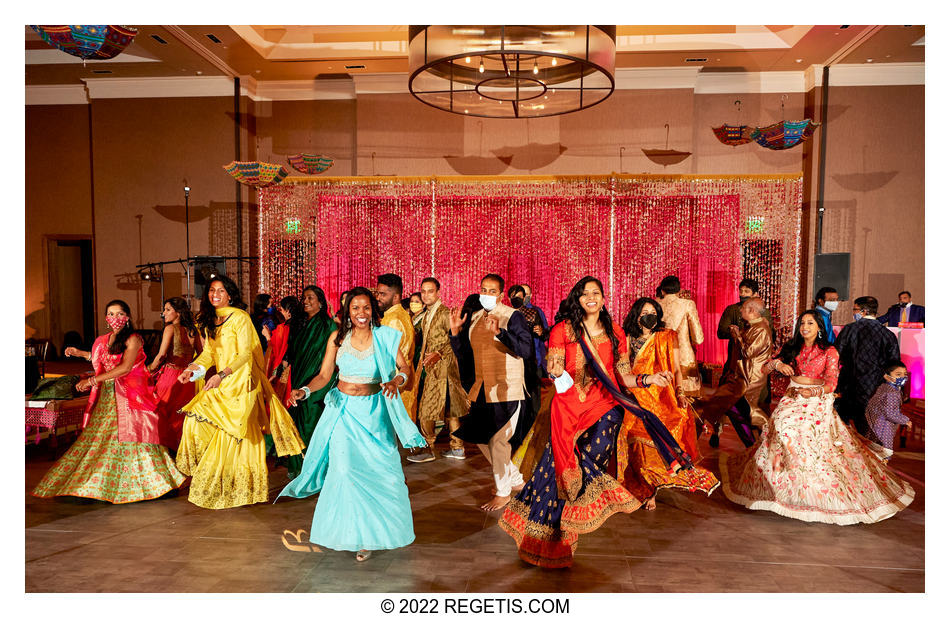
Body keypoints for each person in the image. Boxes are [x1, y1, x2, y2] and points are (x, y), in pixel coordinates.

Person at [499, 277, 691, 568]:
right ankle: (552, 538)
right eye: (585, 293)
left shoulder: (616, 333)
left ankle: (579, 510)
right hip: (568, 408)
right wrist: (554, 369)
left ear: (603, 298)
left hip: (605, 407)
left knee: (584, 467)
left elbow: (622, 376)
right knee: (554, 473)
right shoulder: (563, 331)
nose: (591, 297)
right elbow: (557, 372)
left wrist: (648, 379)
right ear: (577, 299)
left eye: (596, 293)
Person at [720, 310, 915, 524]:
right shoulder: (792, 347)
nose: (805, 327)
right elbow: (765, 367)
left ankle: (807, 489)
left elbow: (832, 382)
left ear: (819, 328)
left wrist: (812, 393)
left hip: (817, 400)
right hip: (792, 398)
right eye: (802, 323)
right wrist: (778, 364)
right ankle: (780, 486)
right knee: (780, 428)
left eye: (810, 323)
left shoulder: (830, 351)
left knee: (809, 442)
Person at [278, 288, 428, 562]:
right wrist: (304, 391)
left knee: (380, 474)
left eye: (366, 308)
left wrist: (397, 381)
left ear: (374, 310)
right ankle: (354, 533)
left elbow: (406, 370)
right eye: (355, 308)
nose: (361, 313)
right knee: (345, 471)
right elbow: (324, 376)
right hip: (343, 412)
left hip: (375, 414)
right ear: (348, 311)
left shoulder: (385, 337)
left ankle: (372, 534)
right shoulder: (337, 338)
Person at [33, 300, 185, 503]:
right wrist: (80, 354)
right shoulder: (103, 340)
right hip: (106, 397)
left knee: (133, 438)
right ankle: (96, 483)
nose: (115, 318)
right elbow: (101, 359)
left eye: (120, 314)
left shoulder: (134, 339)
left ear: (128, 317)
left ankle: (150, 483)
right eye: (111, 314)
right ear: (106, 318)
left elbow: (125, 367)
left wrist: (92, 380)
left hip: (128, 396)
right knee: (100, 439)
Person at [176, 275, 304, 509]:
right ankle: (225, 483)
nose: (215, 294)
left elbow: (246, 354)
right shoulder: (210, 320)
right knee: (197, 421)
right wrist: (191, 369)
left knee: (240, 434)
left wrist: (221, 374)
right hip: (222, 382)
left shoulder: (240, 318)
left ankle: (244, 487)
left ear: (231, 295)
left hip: (243, 382)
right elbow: (209, 355)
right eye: (212, 290)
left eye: (221, 291)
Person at [619, 297, 720, 510]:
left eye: (654, 312)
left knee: (658, 442)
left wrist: (680, 392)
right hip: (636, 393)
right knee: (635, 441)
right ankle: (640, 485)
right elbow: (623, 368)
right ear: (636, 316)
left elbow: (676, 369)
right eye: (645, 312)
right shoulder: (626, 337)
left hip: (662, 396)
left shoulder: (667, 337)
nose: (650, 316)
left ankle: (652, 490)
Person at [450, 273, 535, 511]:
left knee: (499, 440)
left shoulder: (512, 316)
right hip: (481, 388)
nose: (486, 295)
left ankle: (503, 491)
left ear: (500, 294)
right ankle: (515, 479)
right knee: (480, 438)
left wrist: (500, 333)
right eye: (483, 290)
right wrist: (456, 334)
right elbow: (465, 355)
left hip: (508, 388)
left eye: (492, 291)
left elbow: (525, 350)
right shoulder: (476, 316)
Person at [407, 277, 470, 463]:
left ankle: (428, 447)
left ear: (439, 293)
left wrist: (439, 353)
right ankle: (457, 448)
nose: (426, 295)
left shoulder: (444, 313)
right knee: (451, 409)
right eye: (423, 291)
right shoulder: (427, 314)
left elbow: (456, 340)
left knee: (427, 409)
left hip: (444, 367)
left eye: (430, 291)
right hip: (434, 368)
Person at [696, 297, 773, 447]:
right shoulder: (751, 326)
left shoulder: (761, 329)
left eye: (743, 308)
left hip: (749, 379)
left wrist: (737, 336)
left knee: (743, 412)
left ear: (752, 311)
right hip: (739, 376)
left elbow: (748, 352)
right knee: (729, 409)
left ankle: (759, 444)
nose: (740, 310)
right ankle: (753, 446)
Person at [279, 285, 338, 480]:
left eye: (311, 298)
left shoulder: (329, 326)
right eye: (304, 298)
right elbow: (293, 351)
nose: (306, 301)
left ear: (321, 302)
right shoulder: (300, 324)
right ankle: (299, 469)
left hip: (317, 380)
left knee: (311, 423)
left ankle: (315, 471)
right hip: (298, 378)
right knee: (296, 423)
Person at [834, 296, 901, 436]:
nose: (854, 312)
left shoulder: (850, 329)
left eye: (855, 309)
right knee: (869, 429)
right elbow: (895, 366)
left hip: (849, 385)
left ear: (863, 311)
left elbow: (835, 355)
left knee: (842, 428)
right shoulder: (888, 335)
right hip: (875, 389)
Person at [147, 296, 203, 450]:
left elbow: (161, 356)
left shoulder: (170, 329)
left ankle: (163, 449)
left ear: (177, 313)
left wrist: (147, 370)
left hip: (170, 376)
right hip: (187, 378)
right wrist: (190, 368)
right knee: (181, 415)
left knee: (162, 411)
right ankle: (180, 450)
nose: (163, 313)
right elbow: (202, 354)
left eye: (167, 310)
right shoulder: (193, 330)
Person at [376, 273, 418, 421]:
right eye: (378, 293)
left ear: (396, 297)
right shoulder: (400, 315)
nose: (378, 298)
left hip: (395, 385)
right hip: (402, 384)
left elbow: (391, 358)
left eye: (383, 294)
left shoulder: (393, 320)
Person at [656, 276, 705, 399]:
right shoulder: (687, 304)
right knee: (686, 402)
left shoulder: (655, 304)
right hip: (683, 355)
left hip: (659, 354)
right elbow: (698, 337)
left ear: (662, 290)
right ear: (679, 291)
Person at [864, 360, 912, 461]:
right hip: (884, 428)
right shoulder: (892, 392)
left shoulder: (884, 387)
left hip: (875, 424)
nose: (902, 377)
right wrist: (906, 420)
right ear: (886, 376)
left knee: (873, 453)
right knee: (884, 455)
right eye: (898, 374)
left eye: (904, 374)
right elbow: (890, 413)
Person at [263, 295, 305, 406]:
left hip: (286, 371)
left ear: (288, 311)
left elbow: (277, 352)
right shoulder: (304, 325)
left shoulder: (283, 328)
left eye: (281, 309)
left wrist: (268, 337)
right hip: (301, 370)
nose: (280, 312)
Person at [521, 284, 550, 371]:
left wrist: (541, 332)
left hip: (536, 358)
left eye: (526, 294)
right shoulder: (511, 311)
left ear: (531, 295)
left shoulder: (537, 311)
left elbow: (546, 333)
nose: (524, 296)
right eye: (522, 294)